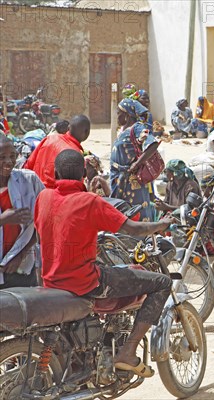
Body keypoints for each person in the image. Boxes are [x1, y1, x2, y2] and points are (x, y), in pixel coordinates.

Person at [35, 149, 174, 378]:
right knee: (162, 282)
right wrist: (161, 225)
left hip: (51, 283)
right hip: (84, 283)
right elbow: (132, 228)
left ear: (57, 173)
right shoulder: (90, 201)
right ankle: (127, 352)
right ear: (83, 174)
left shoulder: (44, 197)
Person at [0, 135, 45, 289]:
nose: (8, 162)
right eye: (2, 157)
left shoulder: (29, 180)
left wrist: (21, 255)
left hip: (21, 269)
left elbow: (43, 221)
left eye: (12, 156)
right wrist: (3, 220)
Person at [110, 98, 159, 222]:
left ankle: (138, 239)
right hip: (120, 178)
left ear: (126, 115)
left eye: (119, 113)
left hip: (131, 182)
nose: (117, 116)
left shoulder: (137, 128)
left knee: (135, 212)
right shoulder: (122, 131)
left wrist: (137, 163)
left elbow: (152, 143)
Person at [24, 114, 90, 189]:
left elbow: (28, 166)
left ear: (68, 128)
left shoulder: (50, 138)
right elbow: (75, 188)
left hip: (33, 192)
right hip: (53, 197)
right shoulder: (75, 155)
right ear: (87, 132)